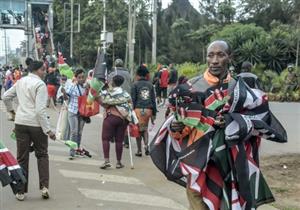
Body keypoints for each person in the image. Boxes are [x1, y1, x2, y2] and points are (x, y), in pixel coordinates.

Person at [3, 60, 56, 201]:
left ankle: (20, 191)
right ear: (37, 70)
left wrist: (12, 112)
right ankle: (44, 187)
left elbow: (5, 96)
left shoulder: (20, 82)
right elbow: (40, 110)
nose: (44, 72)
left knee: (22, 157)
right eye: (43, 70)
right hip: (36, 125)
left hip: (20, 122)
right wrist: (49, 131)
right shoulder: (40, 84)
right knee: (42, 155)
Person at [99, 75, 132, 169]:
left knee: (105, 139)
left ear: (113, 81)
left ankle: (106, 161)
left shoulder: (108, 92)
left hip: (110, 117)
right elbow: (130, 104)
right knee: (119, 141)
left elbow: (104, 102)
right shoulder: (125, 93)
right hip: (122, 119)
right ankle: (118, 162)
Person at [131, 65, 157, 157]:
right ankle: (146, 146)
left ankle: (139, 150)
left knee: (138, 130)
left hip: (138, 109)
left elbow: (133, 99)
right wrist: (154, 113)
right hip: (148, 110)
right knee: (145, 129)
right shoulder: (150, 85)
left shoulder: (135, 84)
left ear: (138, 74)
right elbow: (153, 100)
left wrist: (131, 112)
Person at [61, 69, 87, 159]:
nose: (81, 79)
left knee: (79, 132)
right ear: (76, 78)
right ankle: (72, 151)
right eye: (79, 77)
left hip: (82, 113)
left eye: (82, 77)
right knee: (74, 132)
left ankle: (77, 150)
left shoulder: (86, 87)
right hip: (72, 111)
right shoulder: (72, 86)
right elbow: (65, 98)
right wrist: (64, 92)